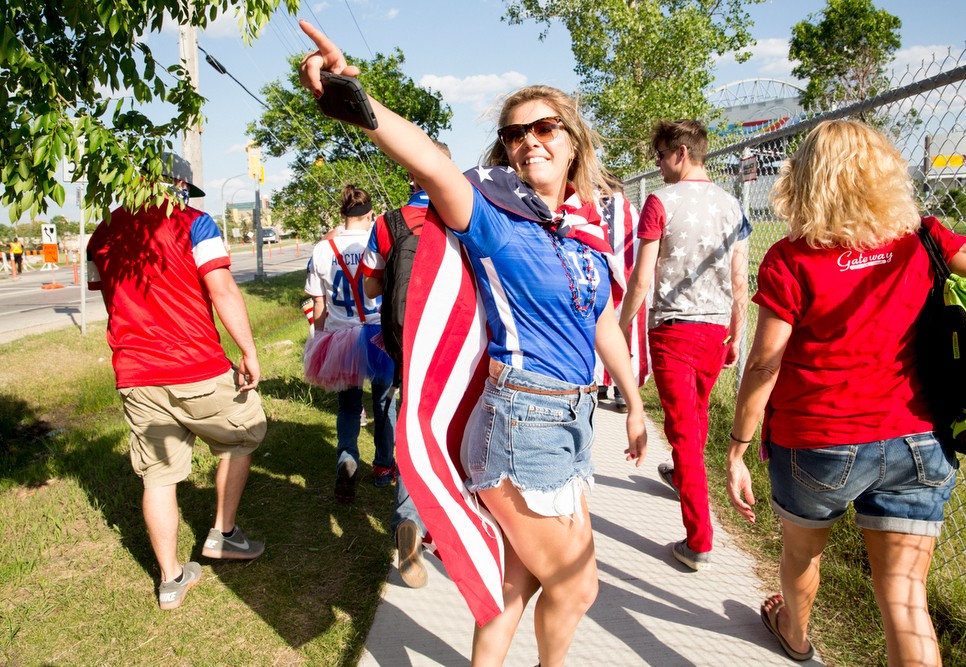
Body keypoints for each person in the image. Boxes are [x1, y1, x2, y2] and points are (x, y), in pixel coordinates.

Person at [299, 20, 646, 667]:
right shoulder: (492, 217)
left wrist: (634, 399)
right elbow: (428, 159)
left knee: (514, 589)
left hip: (575, 418)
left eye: (544, 128)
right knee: (577, 586)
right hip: (521, 423)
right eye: (516, 133)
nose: (529, 141)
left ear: (574, 141)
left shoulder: (585, 229)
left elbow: (599, 321)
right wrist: (351, 98)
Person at [725, 120, 966, 665]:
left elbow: (763, 363)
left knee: (802, 555)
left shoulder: (790, 258)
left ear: (805, 180)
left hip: (817, 440)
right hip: (917, 438)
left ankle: (795, 635)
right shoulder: (924, 237)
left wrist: (738, 445)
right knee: (904, 594)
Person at [86, 153, 267, 611]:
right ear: (176, 185)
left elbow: (105, 292)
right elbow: (221, 287)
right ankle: (223, 535)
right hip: (196, 364)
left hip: (135, 372)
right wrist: (247, 350)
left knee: (158, 477)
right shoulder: (195, 223)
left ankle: (170, 581)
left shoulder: (102, 234)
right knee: (244, 433)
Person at [618, 119, 750, 572]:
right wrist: (736, 331)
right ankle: (682, 475)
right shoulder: (733, 205)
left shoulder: (660, 201)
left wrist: (620, 326)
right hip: (715, 329)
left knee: (685, 431)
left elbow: (642, 277)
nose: (657, 165)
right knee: (694, 413)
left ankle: (699, 540)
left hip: (674, 328)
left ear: (681, 153)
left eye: (659, 155)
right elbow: (739, 281)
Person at [359, 140, 452, 589]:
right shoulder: (461, 218)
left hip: (406, 346)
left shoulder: (387, 222)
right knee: (451, 438)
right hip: (452, 345)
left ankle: (407, 519)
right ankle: (450, 531)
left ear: (409, 175)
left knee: (411, 436)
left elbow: (373, 289)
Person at [303, 184, 396, 504]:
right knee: (384, 403)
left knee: (348, 405)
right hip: (377, 335)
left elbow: (318, 304)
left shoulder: (321, 249)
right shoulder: (379, 241)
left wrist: (318, 338)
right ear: (370, 213)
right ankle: (384, 467)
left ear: (341, 213)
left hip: (341, 337)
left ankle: (347, 457)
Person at [594, 177, 648, 412]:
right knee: (625, 328)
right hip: (631, 280)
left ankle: (601, 382)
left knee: (600, 326)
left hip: (602, 281)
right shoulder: (636, 214)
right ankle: (622, 390)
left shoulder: (593, 212)